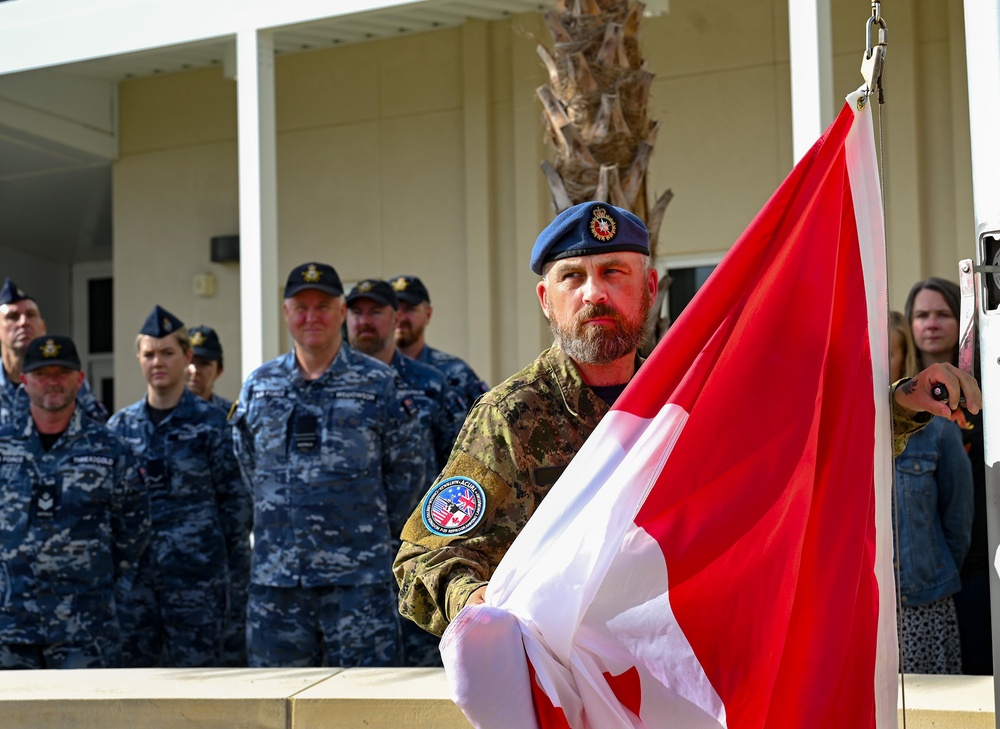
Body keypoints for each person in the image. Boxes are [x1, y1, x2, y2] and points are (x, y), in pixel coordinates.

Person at [393, 201, 984, 637]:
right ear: (547, 300)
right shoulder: (511, 419)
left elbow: (802, 448)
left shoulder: (686, 400)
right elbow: (424, 560)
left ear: (649, 289)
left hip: (670, 680)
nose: (594, 294)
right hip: (564, 683)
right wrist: (484, 612)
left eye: (614, 273)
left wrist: (905, 402)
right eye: (573, 277)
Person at [231, 262, 428, 668]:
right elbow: (249, 471)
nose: (311, 317)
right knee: (274, 706)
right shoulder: (259, 386)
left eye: (323, 306)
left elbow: (408, 478)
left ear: (341, 312)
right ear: (286, 314)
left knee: (363, 707)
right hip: (277, 586)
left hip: (358, 585)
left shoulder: (379, 384)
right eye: (300, 308)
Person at [108, 305, 251, 667]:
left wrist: (214, 565)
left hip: (197, 587)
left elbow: (235, 507)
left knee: (199, 690)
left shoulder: (215, 425)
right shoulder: (118, 429)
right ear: (138, 359)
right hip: (134, 591)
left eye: (168, 352)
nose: (158, 361)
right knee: (133, 691)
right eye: (149, 354)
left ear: (187, 357)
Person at [0, 335, 149, 668]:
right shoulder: (3, 444)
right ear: (24, 381)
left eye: (62, 372)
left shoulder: (110, 449)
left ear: (80, 379)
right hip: (9, 626)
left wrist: (95, 575)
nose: (52, 381)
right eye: (42, 373)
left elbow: (134, 529)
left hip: (85, 626)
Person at [346, 278, 464, 666]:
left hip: (423, 550)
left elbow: (462, 467)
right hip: (352, 561)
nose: (365, 321)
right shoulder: (335, 384)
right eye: (356, 312)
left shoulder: (435, 382)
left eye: (375, 312)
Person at [905, 277, 991, 675]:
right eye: (922, 315)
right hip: (924, 575)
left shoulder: (985, 385)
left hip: (977, 564)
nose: (932, 323)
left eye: (943, 314)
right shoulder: (898, 400)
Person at [890, 310, 973, 674]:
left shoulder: (939, 431)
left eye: (888, 352)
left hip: (925, 603)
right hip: (863, 605)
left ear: (905, 356)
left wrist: (931, 574)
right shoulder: (841, 426)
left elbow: (958, 521)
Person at [0, 278, 108, 424]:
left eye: (31, 315)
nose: (23, 322)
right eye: (13, 317)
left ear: (43, 327)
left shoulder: (66, 380)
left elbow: (98, 431)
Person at [390, 274, 490, 414]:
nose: (401, 317)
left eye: (410, 309)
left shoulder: (456, 373)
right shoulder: (368, 374)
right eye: (395, 309)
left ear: (428, 314)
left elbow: (489, 420)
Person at [187, 325, 233, 414]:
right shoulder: (160, 409)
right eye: (189, 362)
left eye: (203, 364)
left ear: (219, 371)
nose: (195, 370)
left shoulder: (230, 414)